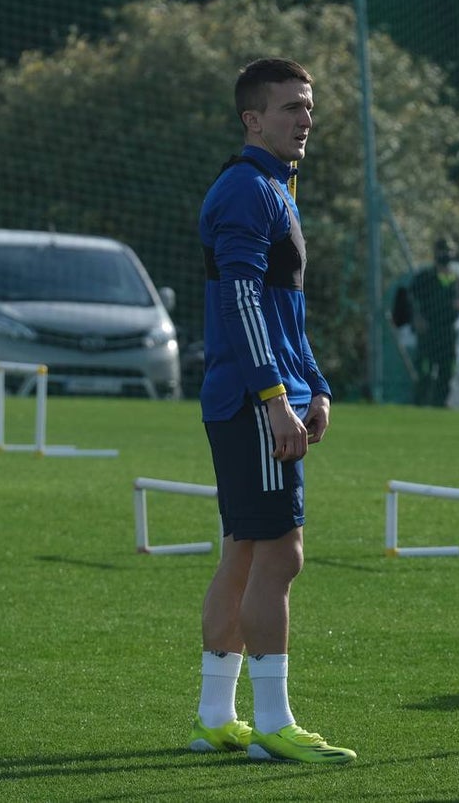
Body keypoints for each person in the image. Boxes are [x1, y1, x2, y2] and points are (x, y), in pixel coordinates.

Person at [189, 57, 355, 764]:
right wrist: (275, 398)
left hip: (266, 394)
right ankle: (274, 724)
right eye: (290, 107)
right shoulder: (246, 190)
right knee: (281, 556)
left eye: (309, 107)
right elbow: (242, 301)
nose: (305, 118)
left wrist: (314, 384)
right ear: (252, 117)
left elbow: (286, 314)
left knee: (244, 553)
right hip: (252, 401)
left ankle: (214, 715)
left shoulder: (274, 189)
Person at [409, 239, 459, 406]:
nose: (445, 255)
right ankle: (419, 404)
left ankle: (439, 404)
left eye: (449, 251)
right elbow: (411, 299)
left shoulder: (457, 279)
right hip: (429, 332)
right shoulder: (425, 277)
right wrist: (417, 318)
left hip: (447, 332)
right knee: (425, 371)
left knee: (446, 371)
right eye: (442, 251)